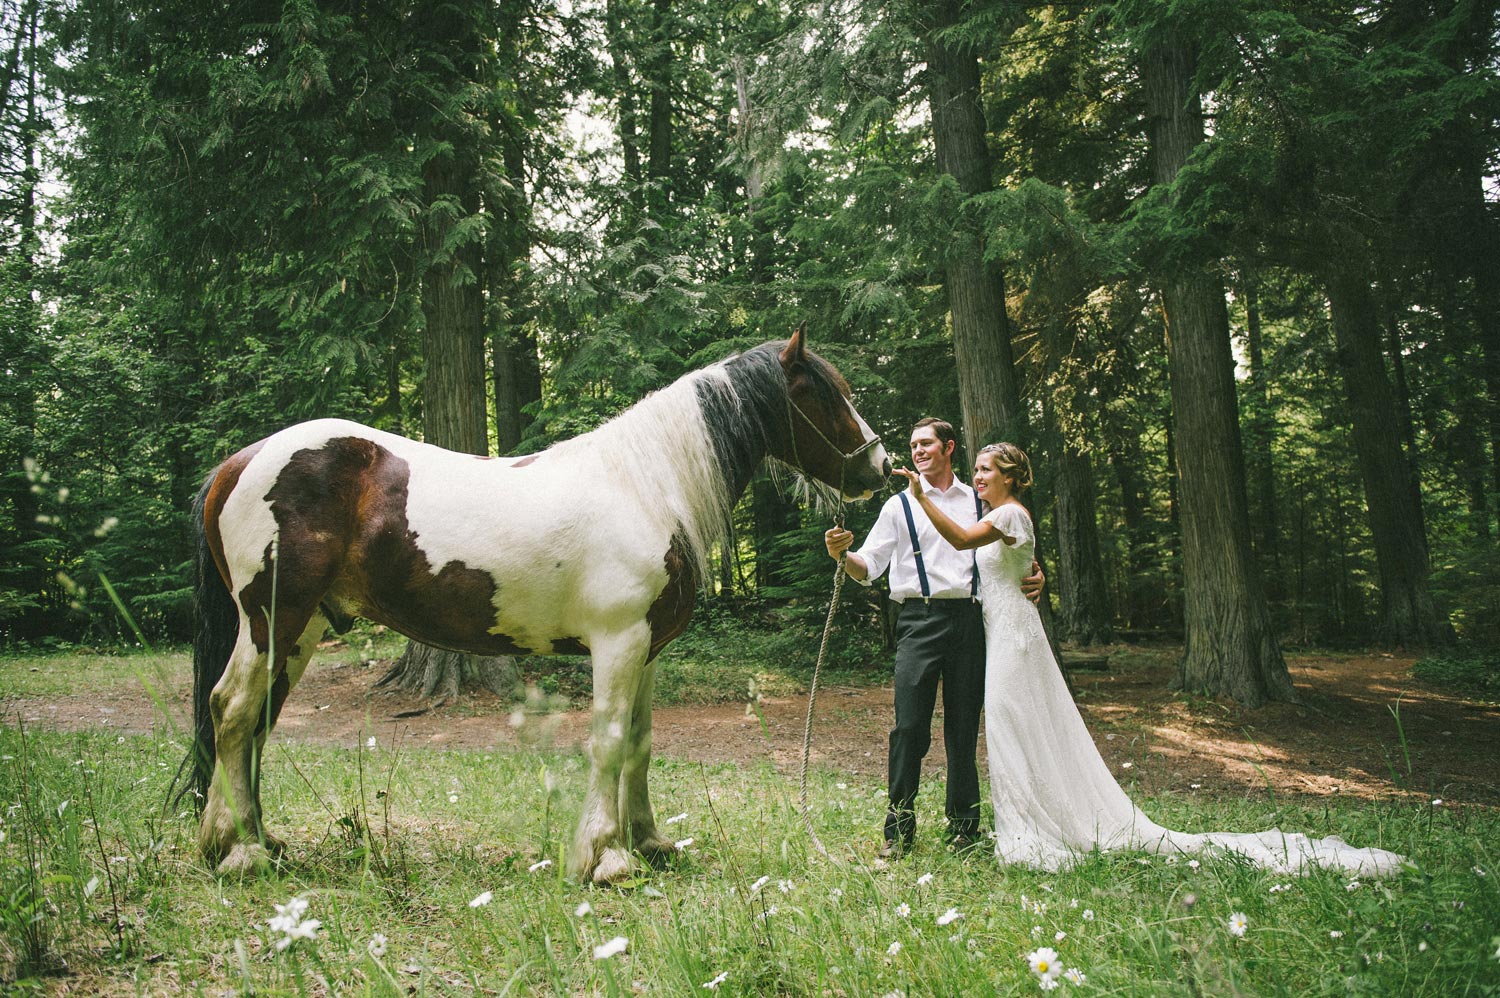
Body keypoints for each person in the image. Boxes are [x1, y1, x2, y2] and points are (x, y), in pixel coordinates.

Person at [896, 442, 1404, 874]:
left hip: (1013, 640)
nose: (978, 477)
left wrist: (919, 497)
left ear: (1009, 476)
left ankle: (1033, 830)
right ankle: (1023, 822)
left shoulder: (1007, 513)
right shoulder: (1002, 516)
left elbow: (963, 540)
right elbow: (1001, 563)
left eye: (986, 470)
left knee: (1013, 724)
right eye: (978, 470)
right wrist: (1035, 572)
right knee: (1012, 727)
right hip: (1002, 632)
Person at [825, 418, 1043, 858]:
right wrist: (841, 555)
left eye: (926, 443)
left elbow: (1015, 551)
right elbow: (868, 567)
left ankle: (964, 829)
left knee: (963, 730)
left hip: (972, 621)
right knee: (908, 728)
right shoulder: (898, 507)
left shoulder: (981, 500)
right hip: (918, 622)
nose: (918, 451)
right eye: (912, 445)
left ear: (949, 447)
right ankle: (898, 830)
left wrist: (1039, 577)